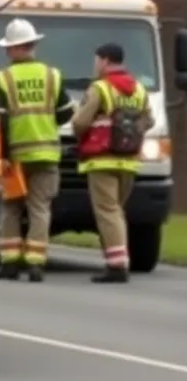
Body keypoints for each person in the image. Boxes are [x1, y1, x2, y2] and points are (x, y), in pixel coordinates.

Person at [0, 18, 75, 282]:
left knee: (10, 207)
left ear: (16, 48)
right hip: (46, 153)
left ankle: (10, 263)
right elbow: (66, 112)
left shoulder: (2, 78)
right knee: (40, 208)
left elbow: (0, 120)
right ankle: (36, 263)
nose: (7, 52)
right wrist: (45, 122)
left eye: (8, 47)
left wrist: (2, 155)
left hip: (15, 156)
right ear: (32, 45)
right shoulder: (52, 75)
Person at [70, 43, 153, 283]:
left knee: (107, 211)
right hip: (129, 160)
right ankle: (117, 258)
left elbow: (80, 123)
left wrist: (82, 134)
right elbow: (149, 120)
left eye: (97, 60)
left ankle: (117, 266)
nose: (95, 64)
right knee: (116, 211)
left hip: (102, 160)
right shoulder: (139, 89)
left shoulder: (100, 88)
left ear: (105, 60)